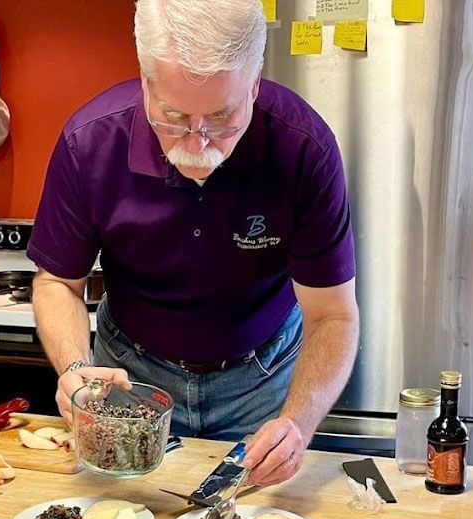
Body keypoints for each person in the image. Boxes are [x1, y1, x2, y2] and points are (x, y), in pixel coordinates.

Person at [28, 0, 359, 486]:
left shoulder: (304, 147)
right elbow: (57, 281)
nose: (197, 143)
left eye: (222, 116)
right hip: (129, 380)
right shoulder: (90, 143)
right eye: (174, 115)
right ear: (145, 82)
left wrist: (297, 423)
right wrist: (76, 368)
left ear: (255, 83)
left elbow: (333, 314)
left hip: (261, 382)